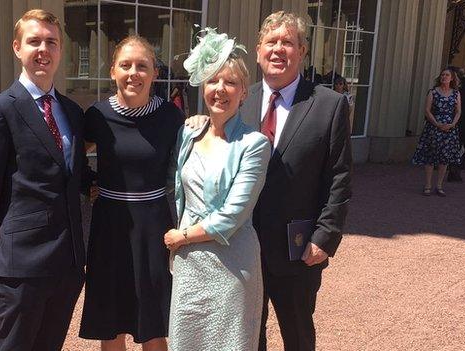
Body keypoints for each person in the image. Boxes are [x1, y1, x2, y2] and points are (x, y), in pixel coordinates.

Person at [185, 11, 352, 351]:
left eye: (288, 42)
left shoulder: (328, 105)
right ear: (259, 50)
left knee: (298, 335)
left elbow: (340, 177)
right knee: (245, 335)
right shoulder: (238, 100)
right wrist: (202, 122)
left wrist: (325, 236)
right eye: (271, 42)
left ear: (302, 51)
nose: (279, 50)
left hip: (297, 248)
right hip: (241, 246)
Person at [0, 9, 93, 350]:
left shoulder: (72, 112)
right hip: (21, 264)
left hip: (67, 263)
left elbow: (77, 175)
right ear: (17, 48)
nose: (43, 49)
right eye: (34, 41)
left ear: (61, 51)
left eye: (51, 42)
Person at [164, 28, 271, 350]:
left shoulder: (254, 144)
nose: (220, 89)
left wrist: (180, 237)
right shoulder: (189, 133)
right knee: (187, 342)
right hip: (188, 266)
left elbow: (233, 215)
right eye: (213, 80)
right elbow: (173, 185)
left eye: (231, 82)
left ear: (244, 93)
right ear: (203, 86)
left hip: (232, 263)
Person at [79, 35, 183, 351]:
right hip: (109, 227)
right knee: (110, 326)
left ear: (155, 73)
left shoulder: (171, 117)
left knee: (152, 326)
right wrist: (88, 182)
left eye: (142, 66)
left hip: (154, 228)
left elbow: (186, 171)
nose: (133, 73)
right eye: (125, 65)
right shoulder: (97, 117)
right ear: (113, 71)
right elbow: (71, 158)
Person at [412, 68, 462, 196]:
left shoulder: (456, 93)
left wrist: (452, 124)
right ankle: (428, 184)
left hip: (449, 128)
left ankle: (439, 185)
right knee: (430, 156)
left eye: (447, 75)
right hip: (434, 127)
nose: (444, 77)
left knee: (444, 158)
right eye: (442, 75)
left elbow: (458, 111)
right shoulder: (433, 92)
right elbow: (427, 110)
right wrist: (436, 123)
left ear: (452, 78)